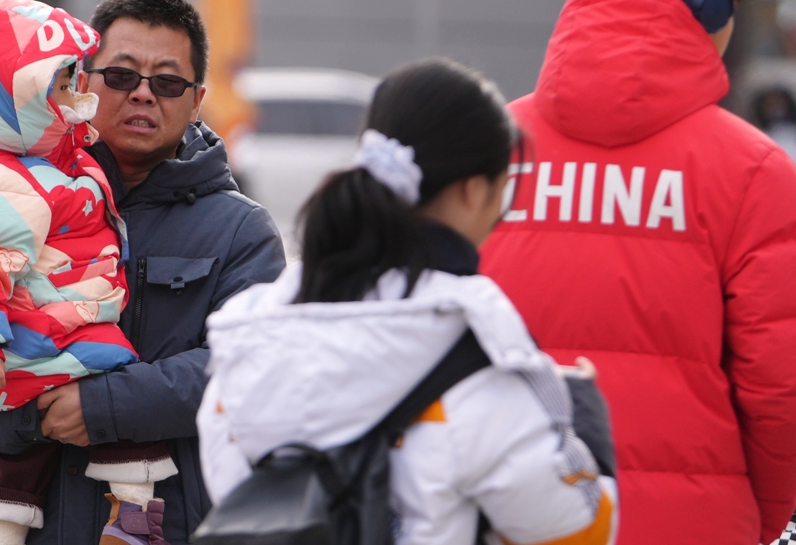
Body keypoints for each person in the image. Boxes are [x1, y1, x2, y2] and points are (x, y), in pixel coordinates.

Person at [0, 0, 286, 545]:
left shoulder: (240, 232)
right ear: (79, 79)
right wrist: (34, 414)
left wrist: (102, 407)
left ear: (197, 100)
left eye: (167, 82)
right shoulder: (2, 189)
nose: (143, 94)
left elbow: (257, 369)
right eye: (122, 75)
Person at [197, 58, 618, 545]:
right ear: (472, 191)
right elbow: (580, 530)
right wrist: (581, 410)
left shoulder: (255, 332)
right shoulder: (480, 351)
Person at [479, 0, 796, 543]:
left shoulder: (488, 153)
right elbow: (778, 390)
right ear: (714, 6)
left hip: (514, 519)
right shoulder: (756, 173)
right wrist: (764, 516)